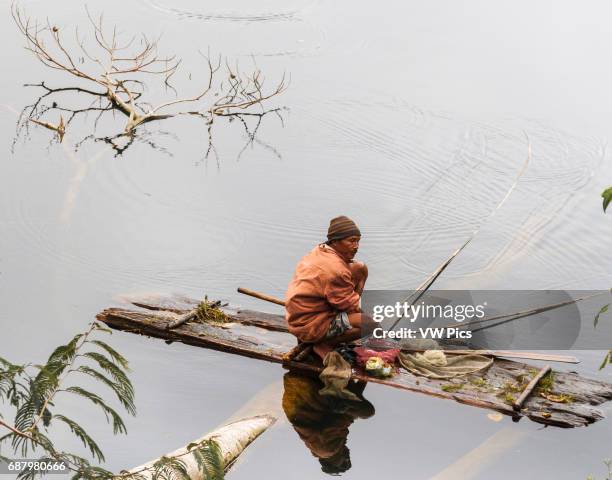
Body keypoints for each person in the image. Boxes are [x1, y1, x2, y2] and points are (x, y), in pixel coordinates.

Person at [285, 215, 369, 361]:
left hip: (304, 312)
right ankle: (324, 343)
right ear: (335, 241)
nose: (356, 246)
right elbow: (350, 306)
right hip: (308, 325)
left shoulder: (320, 250)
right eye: (351, 241)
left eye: (358, 241)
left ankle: (338, 326)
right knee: (370, 324)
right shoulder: (335, 270)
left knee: (360, 268)